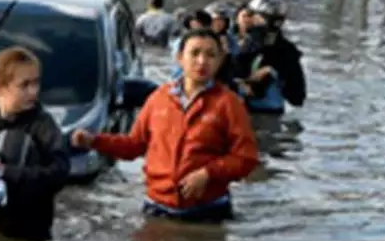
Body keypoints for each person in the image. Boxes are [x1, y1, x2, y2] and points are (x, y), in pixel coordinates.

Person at [70, 29, 259, 223]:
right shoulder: (158, 98)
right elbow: (134, 145)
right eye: (194, 53)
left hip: (208, 211)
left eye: (210, 55)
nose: (202, 61)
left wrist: (208, 173)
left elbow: (246, 158)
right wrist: (94, 141)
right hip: (158, 207)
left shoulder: (229, 104)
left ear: (220, 61)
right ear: (179, 58)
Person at [0, 46, 71, 241]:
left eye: (36, 83)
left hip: (28, 240)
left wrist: (7, 172)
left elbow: (59, 173)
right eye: (24, 85)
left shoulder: (44, 127)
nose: (33, 91)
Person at [232, 0, 307, 114]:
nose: (248, 20)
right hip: (252, 113)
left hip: (263, 113)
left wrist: (271, 73)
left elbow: (297, 97)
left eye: (252, 15)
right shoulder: (241, 43)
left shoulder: (284, 53)